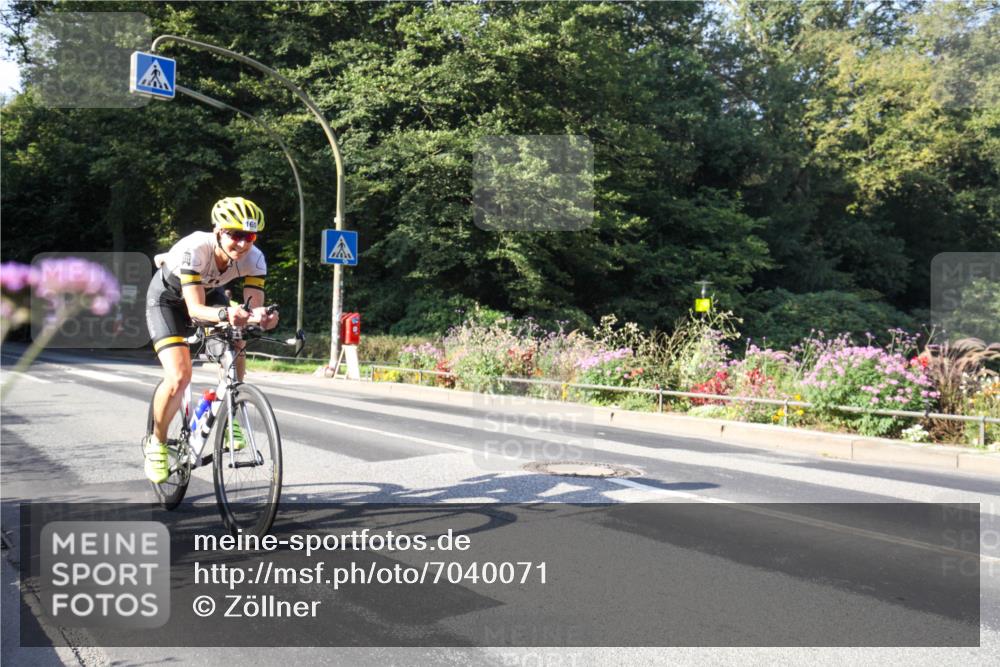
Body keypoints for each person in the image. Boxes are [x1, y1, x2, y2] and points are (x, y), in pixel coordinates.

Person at [143, 196, 279, 483]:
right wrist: (229, 314)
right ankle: (157, 443)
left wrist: (263, 318)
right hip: (169, 300)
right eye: (236, 235)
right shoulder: (195, 249)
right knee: (179, 375)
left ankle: (231, 413)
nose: (243, 244)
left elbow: (252, 310)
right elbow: (194, 310)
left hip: (209, 296)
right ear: (218, 231)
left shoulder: (255, 259)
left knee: (237, 341)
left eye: (250, 236)